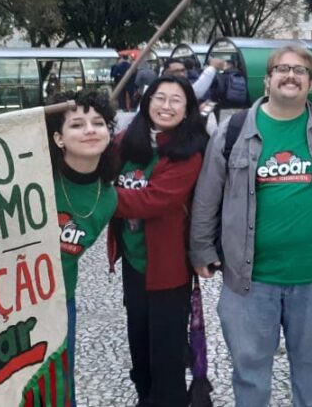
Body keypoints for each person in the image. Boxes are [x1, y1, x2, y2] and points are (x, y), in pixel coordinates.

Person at [190, 44, 312, 407]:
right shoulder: (232, 130)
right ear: (267, 79)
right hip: (249, 281)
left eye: (300, 71)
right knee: (250, 374)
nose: (290, 75)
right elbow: (207, 194)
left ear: (310, 82)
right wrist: (202, 248)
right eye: (282, 69)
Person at [108, 76, 208, 407]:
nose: (166, 106)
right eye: (159, 98)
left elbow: (154, 200)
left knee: (166, 355)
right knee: (140, 347)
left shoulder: (188, 153)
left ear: (187, 109)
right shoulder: (125, 142)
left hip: (168, 269)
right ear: (147, 101)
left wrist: (101, 198)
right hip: (134, 265)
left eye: (175, 100)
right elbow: (93, 166)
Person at [45, 89, 120, 404]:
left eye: (98, 122)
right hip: (11, 301)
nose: (90, 130)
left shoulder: (107, 197)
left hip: (62, 301)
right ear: (59, 138)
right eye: (76, 124)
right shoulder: (38, 177)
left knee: (58, 384)